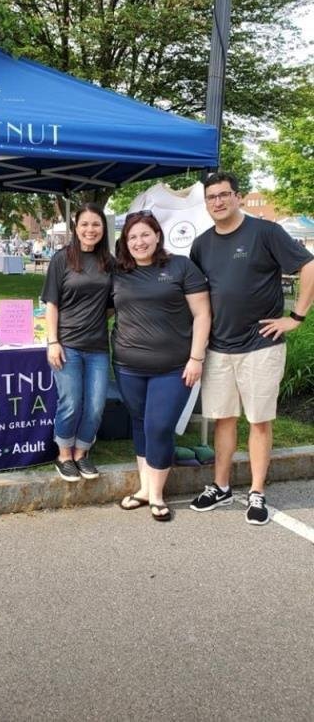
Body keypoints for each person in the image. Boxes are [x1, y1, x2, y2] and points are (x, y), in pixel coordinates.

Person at [189, 172, 314, 525]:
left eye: (224, 195)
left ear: (238, 197)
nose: (218, 202)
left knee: (259, 420)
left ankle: (257, 491)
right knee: (223, 420)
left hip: (261, 345)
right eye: (211, 197)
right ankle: (221, 485)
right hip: (219, 348)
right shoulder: (201, 244)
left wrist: (297, 317)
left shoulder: (266, 232)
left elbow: (309, 266)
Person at [112, 212, 211, 521]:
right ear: (125, 243)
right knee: (140, 423)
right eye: (132, 238)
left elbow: (202, 314)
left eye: (144, 235)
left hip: (173, 367)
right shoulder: (118, 272)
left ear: (157, 235)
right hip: (128, 365)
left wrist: (196, 358)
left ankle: (156, 494)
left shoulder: (180, 266)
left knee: (160, 425)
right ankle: (144, 488)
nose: (139, 242)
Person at [41, 203, 114, 482]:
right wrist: (53, 341)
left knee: (95, 405)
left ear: (103, 228)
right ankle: (64, 455)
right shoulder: (62, 259)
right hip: (67, 344)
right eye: (84, 224)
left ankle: (82, 453)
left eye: (96, 224)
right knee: (71, 401)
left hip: (97, 346)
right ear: (76, 228)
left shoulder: (110, 262)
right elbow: (52, 304)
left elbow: (111, 305)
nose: (90, 230)